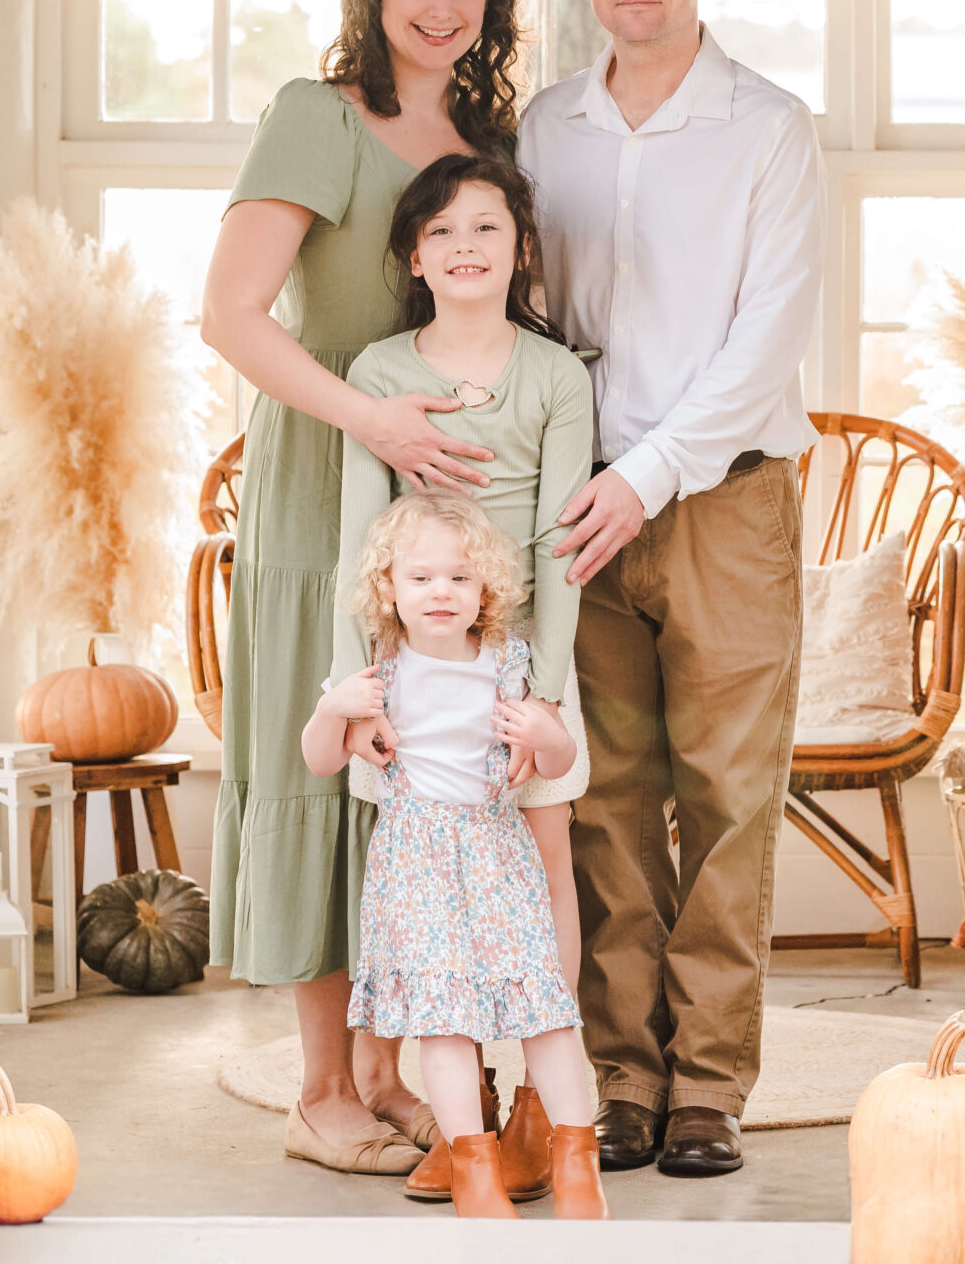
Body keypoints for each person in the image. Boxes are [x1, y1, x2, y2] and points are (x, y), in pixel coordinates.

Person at [201, 0, 522, 1177]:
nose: (441, 9)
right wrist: (372, 421)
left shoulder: (479, 135)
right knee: (328, 756)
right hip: (319, 492)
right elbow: (231, 315)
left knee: (412, 781)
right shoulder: (315, 116)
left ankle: (388, 1073)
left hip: (435, 507)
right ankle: (319, 1082)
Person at [519, 0, 824, 1178]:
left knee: (730, 801)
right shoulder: (545, 128)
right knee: (606, 804)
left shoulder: (769, 127)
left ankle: (708, 1085)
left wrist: (649, 474)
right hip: (580, 508)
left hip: (722, 501)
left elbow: (767, 342)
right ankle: (622, 1079)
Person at [331, 153, 595, 1197]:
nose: (465, 247)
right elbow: (361, 531)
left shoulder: (554, 375)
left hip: (519, 665)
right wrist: (358, 690)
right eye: (440, 231)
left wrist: (545, 699)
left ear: (519, 247)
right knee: (424, 894)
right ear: (412, 254)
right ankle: (464, 1114)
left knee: (539, 872)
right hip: (410, 672)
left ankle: (541, 1103)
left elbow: (562, 542)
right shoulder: (378, 369)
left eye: (485, 227)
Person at [306, 488, 605, 1221]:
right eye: (421, 577)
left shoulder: (507, 663)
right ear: (389, 589)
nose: (441, 591)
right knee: (443, 1021)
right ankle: (475, 1169)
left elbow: (559, 759)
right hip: (416, 865)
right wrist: (330, 709)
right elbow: (320, 760)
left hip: (499, 858)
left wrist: (543, 732)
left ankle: (576, 1164)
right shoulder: (379, 675)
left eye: (460, 578)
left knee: (547, 1011)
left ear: (485, 592)